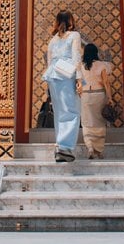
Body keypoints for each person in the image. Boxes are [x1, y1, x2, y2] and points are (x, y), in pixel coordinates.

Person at [42, 9, 82, 162]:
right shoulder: (74, 36)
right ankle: (65, 148)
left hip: (53, 75)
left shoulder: (53, 40)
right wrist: (78, 79)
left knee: (60, 113)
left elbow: (49, 61)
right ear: (71, 20)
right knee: (72, 112)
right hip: (67, 74)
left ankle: (61, 146)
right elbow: (76, 57)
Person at [80, 43, 112, 159]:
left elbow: (79, 83)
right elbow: (106, 83)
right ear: (95, 53)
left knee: (87, 122)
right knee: (99, 122)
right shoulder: (101, 65)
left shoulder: (81, 66)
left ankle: (90, 147)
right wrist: (110, 98)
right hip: (98, 95)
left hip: (85, 96)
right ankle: (99, 150)